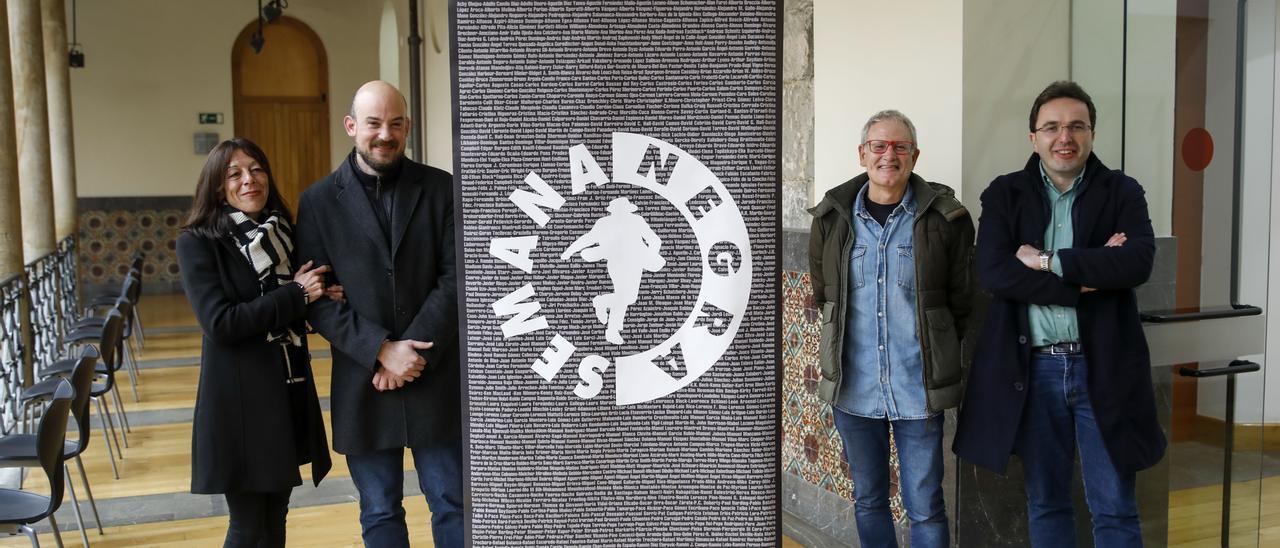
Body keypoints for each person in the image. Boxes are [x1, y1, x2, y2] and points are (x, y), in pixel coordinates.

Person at [954, 81, 1166, 547]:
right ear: (1034, 137)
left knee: (1115, 509)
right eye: (1051, 127)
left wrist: (1048, 261)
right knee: (1047, 502)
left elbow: (1138, 262)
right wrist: (1088, 279)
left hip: (1104, 368)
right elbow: (994, 273)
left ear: (1091, 133)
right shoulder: (1005, 193)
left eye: (1076, 126)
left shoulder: (1122, 191)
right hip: (1033, 371)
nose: (1064, 136)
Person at [294, 80, 462, 548]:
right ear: (351, 126)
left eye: (395, 123)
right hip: (363, 379)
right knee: (380, 510)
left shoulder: (442, 188)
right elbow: (317, 297)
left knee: (453, 502)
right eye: (373, 123)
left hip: (433, 369)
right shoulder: (318, 201)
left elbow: (457, 280)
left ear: (406, 127)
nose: (384, 134)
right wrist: (381, 350)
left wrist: (413, 352)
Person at [807, 110, 974, 548]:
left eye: (900, 147)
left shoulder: (947, 218)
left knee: (926, 507)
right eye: (879, 146)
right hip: (854, 390)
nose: (889, 155)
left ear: (914, 156)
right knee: (869, 500)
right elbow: (824, 292)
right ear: (862, 153)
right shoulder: (831, 218)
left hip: (918, 390)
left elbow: (961, 300)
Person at [177, 138, 334, 547]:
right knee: (248, 526)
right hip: (238, 401)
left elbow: (298, 299)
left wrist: (319, 297)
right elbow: (221, 323)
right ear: (217, 187)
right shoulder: (199, 242)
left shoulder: (284, 233)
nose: (250, 180)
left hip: (286, 389)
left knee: (276, 516)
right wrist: (296, 296)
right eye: (235, 174)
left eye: (257, 169)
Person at [560, 196, 665, 344]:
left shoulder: (636, 220)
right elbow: (588, 238)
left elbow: (654, 240)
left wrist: (650, 256)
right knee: (623, 296)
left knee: (628, 298)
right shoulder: (604, 223)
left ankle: (601, 303)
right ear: (613, 211)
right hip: (617, 262)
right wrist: (569, 251)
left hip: (635, 262)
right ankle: (612, 330)